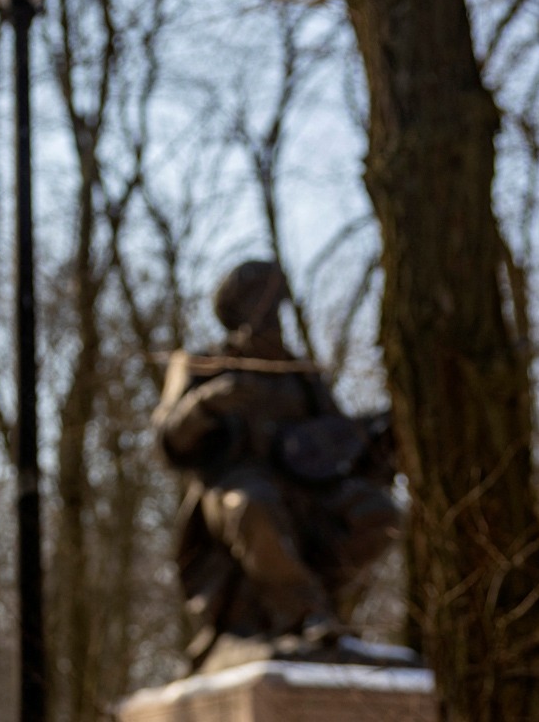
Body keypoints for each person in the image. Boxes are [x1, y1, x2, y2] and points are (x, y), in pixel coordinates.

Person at [152, 260, 404, 674]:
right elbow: (166, 440)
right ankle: (305, 615)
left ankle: (322, 607)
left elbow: (337, 443)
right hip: (230, 491)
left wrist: (381, 435)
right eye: (258, 304)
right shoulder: (203, 364)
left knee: (376, 511)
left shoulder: (299, 374)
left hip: (304, 495)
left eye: (274, 306)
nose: (269, 317)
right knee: (251, 503)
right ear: (236, 310)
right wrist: (207, 404)